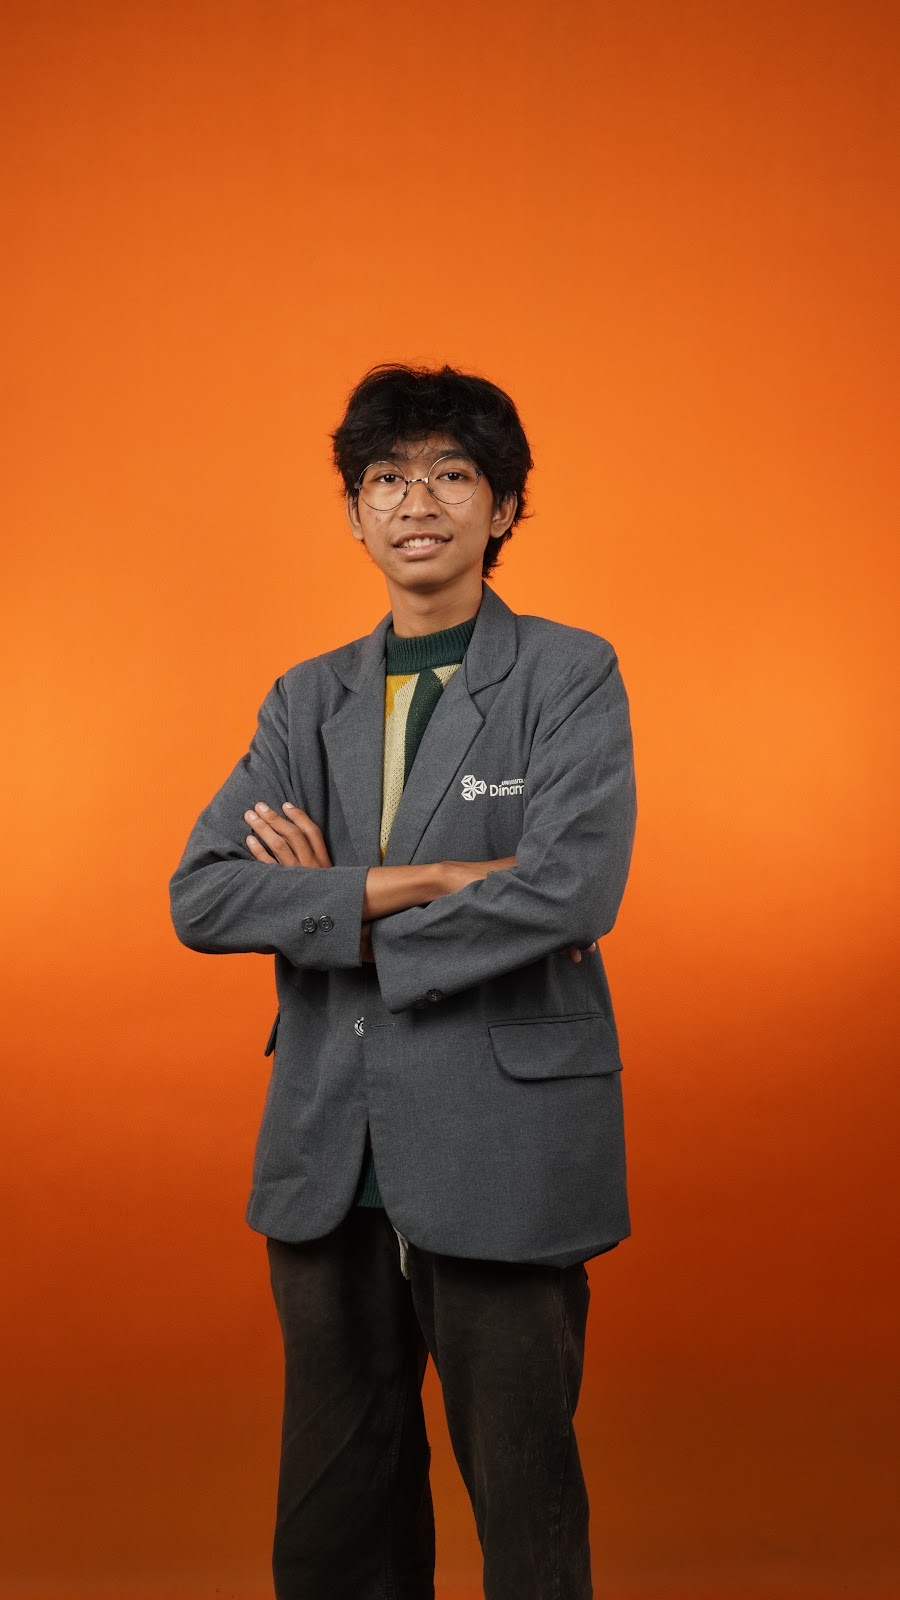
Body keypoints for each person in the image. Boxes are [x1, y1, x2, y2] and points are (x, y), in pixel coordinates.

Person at [168, 362, 637, 1600]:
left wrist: (329, 906)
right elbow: (203, 895)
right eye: (385, 478)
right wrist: (417, 882)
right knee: (335, 1525)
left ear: (503, 506)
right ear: (354, 512)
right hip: (330, 1148)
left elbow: (572, 888)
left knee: (525, 1507)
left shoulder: (568, 675)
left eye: (450, 475)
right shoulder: (305, 698)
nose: (415, 502)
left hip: (503, 1143)